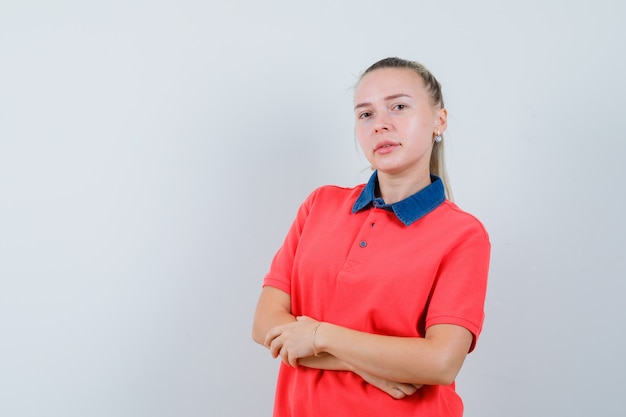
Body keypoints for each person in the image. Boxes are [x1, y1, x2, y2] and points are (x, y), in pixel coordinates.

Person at [252, 57, 491, 417]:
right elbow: (265, 325)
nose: (380, 124)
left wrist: (320, 335)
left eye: (398, 107)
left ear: (439, 120)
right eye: (366, 114)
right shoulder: (320, 205)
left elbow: (441, 362)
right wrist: (370, 366)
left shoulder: (462, 234)